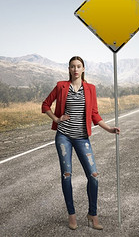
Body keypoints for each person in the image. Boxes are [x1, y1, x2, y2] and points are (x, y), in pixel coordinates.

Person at [41, 56, 120, 230]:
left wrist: (109, 129)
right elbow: (46, 104)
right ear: (68, 69)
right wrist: (56, 118)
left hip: (82, 137)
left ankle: (92, 214)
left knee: (93, 176)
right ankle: (72, 214)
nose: (75, 69)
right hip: (64, 137)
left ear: (83, 69)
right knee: (66, 174)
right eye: (72, 67)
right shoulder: (62, 86)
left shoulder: (90, 89)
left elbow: (94, 114)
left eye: (78, 66)